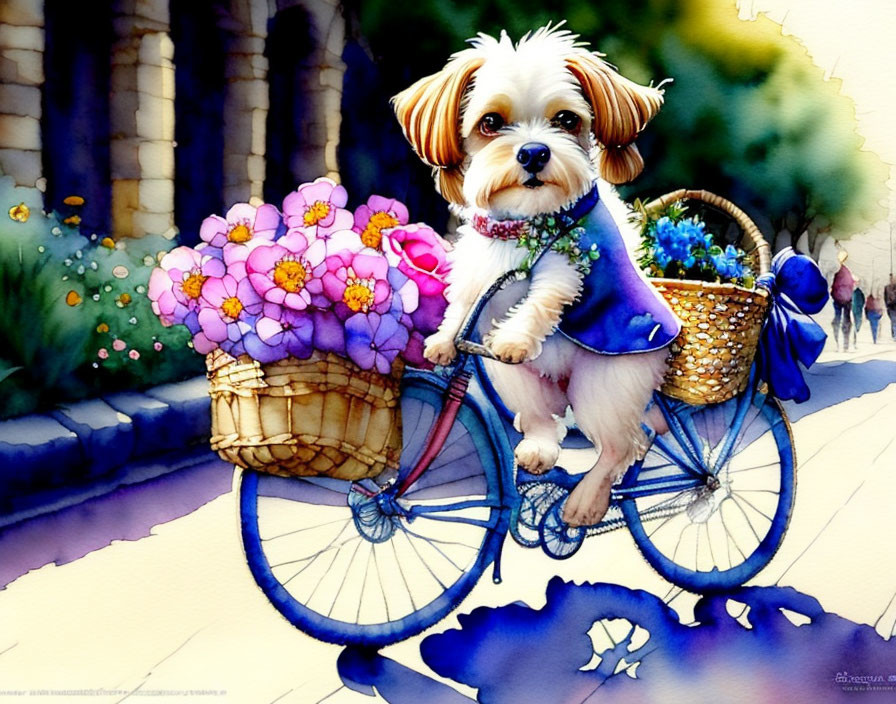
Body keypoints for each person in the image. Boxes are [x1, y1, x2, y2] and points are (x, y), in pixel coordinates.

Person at [830, 251, 856, 351]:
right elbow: (851, 284)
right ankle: (845, 344)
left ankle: (837, 343)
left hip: (838, 299)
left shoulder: (838, 271)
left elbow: (834, 285)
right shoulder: (847, 271)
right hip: (847, 299)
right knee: (846, 320)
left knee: (837, 319)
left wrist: (833, 294)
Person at [885, 274, 896, 340]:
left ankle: (894, 334)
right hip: (891, 306)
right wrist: (887, 305)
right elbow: (885, 297)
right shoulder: (887, 287)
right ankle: (894, 334)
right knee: (893, 320)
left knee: (894, 321)